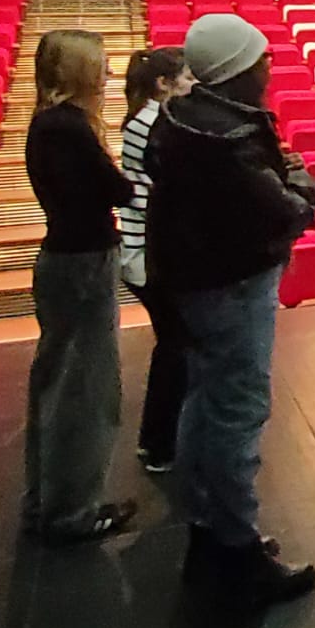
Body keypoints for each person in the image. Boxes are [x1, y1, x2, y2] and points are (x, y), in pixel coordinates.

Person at [146, 13, 315, 609]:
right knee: (239, 410)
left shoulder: (178, 118)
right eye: (262, 59)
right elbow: (288, 209)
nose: (271, 68)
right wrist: (303, 179)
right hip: (232, 284)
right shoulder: (230, 139)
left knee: (204, 402)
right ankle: (239, 550)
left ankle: (209, 532)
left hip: (194, 283)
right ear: (237, 70)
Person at [23, 29, 137, 545]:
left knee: (60, 384)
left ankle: (51, 502)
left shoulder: (48, 124)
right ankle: (72, 512)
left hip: (67, 257)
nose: (109, 74)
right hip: (83, 261)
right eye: (102, 65)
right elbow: (114, 190)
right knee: (85, 390)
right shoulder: (68, 128)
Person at [119, 46, 193, 473]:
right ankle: (161, 442)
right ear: (163, 84)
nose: (193, 86)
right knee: (177, 347)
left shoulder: (143, 118)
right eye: (185, 79)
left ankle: (163, 438)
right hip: (150, 252)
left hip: (147, 249)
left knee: (176, 345)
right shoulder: (154, 124)